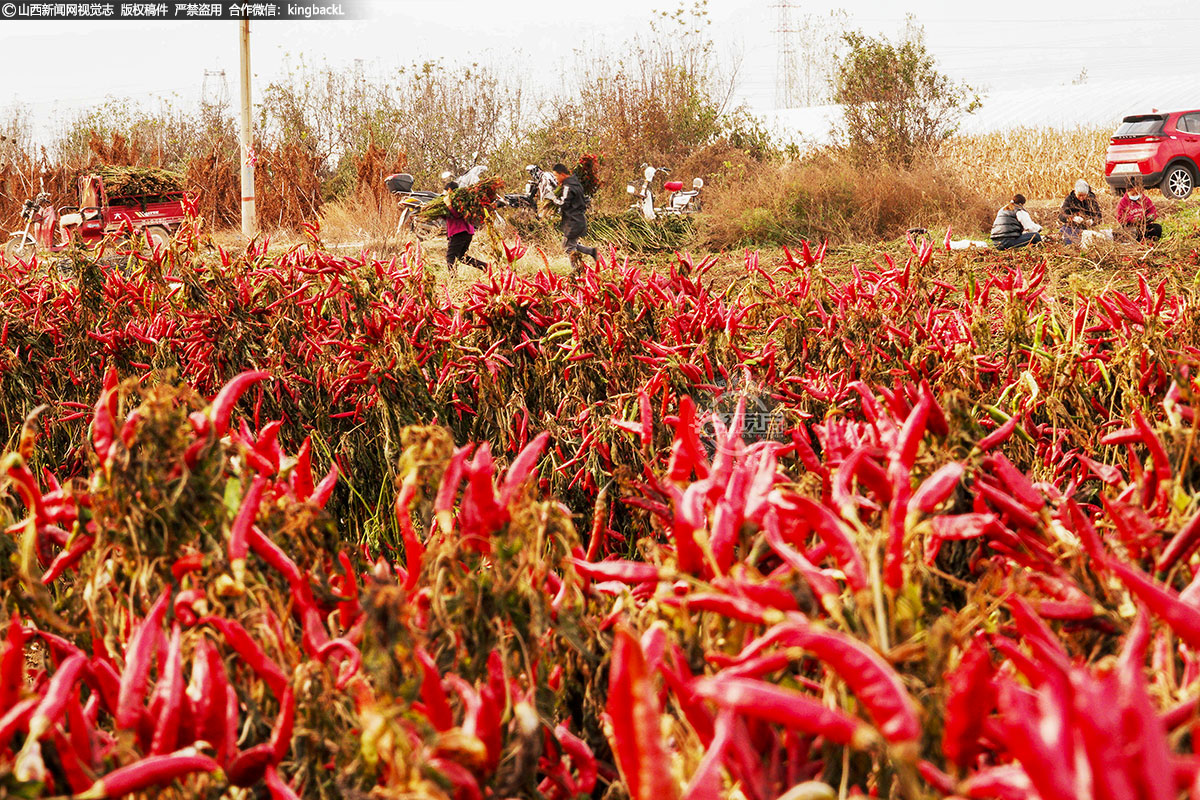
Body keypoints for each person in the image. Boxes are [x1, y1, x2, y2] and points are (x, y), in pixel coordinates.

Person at [550, 163, 598, 274]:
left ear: (562, 174)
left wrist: (553, 199)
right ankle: (592, 251)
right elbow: (585, 200)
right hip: (578, 219)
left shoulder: (568, 187)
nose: (556, 179)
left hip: (573, 222)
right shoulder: (576, 183)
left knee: (569, 248)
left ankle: (577, 272)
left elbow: (564, 204)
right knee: (567, 244)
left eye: (556, 176)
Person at [443, 182, 487, 275]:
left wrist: (449, 205)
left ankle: (453, 278)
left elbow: (457, 214)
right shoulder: (456, 199)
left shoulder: (456, 200)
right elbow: (449, 216)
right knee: (461, 257)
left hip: (459, 232)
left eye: (446, 191)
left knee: (450, 256)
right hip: (467, 232)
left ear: (449, 190)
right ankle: (485, 266)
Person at [1058, 179, 1102, 246]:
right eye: (1079, 195)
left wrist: (1092, 221)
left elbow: (1099, 216)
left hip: (1086, 229)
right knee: (1063, 240)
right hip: (1071, 227)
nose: (1081, 198)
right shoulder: (1070, 199)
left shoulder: (1091, 200)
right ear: (1075, 192)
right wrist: (1072, 218)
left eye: (1084, 195)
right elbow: (1061, 215)